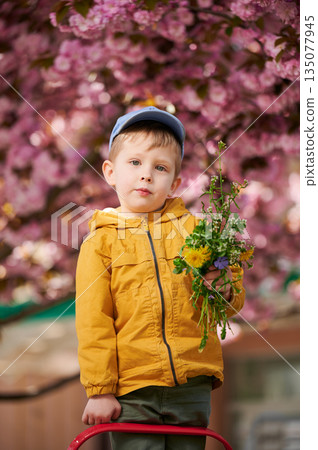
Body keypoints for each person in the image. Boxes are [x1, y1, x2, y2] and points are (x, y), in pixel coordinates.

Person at [75, 106, 245, 450]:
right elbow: (94, 322)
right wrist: (100, 390)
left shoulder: (196, 232)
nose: (146, 175)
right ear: (110, 171)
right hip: (131, 387)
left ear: (175, 183)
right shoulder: (100, 243)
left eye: (160, 167)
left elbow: (228, 304)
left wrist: (222, 284)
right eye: (135, 163)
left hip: (192, 382)